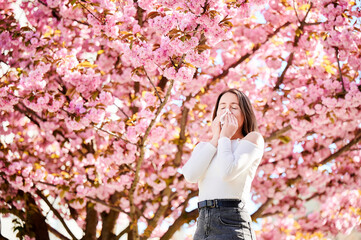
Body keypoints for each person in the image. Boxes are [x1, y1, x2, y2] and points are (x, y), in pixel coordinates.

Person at [182, 88, 264, 240]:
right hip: (202, 223)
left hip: (231, 221)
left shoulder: (252, 139)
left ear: (245, 114)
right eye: (222, 107)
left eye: (234, 107)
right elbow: (190, 175)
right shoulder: (204, 147)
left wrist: (225, 137)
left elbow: (228, 172)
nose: (228, 111)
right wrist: (215, 139)